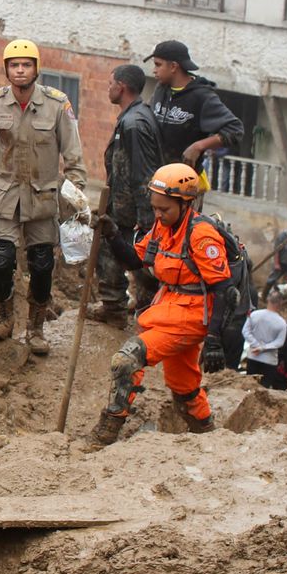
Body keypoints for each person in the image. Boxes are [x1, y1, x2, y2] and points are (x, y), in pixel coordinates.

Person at [92, 163, 235, 442]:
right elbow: (136, 260)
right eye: (155, 208)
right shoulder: (162, 227)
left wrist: (215, 340)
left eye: (164, 209)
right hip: (170, 307)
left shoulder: (202, 235)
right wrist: (112, 235)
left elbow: (225, 289)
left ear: (185, 204)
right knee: (184, 387)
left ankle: (105, 433)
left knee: (126, 359)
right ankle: (208, 435)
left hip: (192, 315)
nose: (158, 214)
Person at [0, 40, 88, 353]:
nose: (20, 70)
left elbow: (73, 153)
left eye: (26, 65)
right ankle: (5, 317)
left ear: (36, 68)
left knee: (40, 264)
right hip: (5, 195)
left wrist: (77, 192)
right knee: (0, 259)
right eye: (14, 65)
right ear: (7, 69)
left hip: (42, 197)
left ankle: (36, 328)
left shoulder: (57, 103)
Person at [96, 63, 160, 322]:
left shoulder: (134, 124)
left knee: (113, 252)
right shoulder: (135, 117)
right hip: (125, 205)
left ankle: (114, 308)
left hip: (128, 210)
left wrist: (145, 218)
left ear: (121, 87)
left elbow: (142, 173)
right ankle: (143, 306)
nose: (108, 89)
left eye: (110, 84)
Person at [143, 40, 242, 171]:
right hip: (156, 175)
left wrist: (199, 146)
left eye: (158, 65)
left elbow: (235, 130)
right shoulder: (161, 89)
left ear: (173, 66)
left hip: (184, 181)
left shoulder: (202, 96)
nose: (154, 70)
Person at [242, 291, 287, 389]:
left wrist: (255, 344)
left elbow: (245, 331)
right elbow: (279, 342)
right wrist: (263, 348)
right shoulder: (281, 323)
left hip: (253, 357)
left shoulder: (255, 314)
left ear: (268, 300)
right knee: (263, 390)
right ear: (280, 303)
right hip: (269, 360)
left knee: (249, 387)